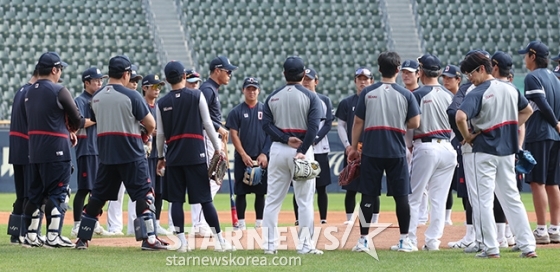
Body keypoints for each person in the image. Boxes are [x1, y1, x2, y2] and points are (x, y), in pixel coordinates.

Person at [74, 55, 166, 250]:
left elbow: (95, 120)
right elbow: (151, 124)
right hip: (131, 153)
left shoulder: (96, 97)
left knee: (97, 197)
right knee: (145, 196)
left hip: (106, 155)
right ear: (126, 74)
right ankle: (149, 239)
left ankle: (82, 238)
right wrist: (145, 136)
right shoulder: (132, 96)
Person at [456, 51, 536, 258]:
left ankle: (491, 248)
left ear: (482, 69)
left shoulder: (477, 91)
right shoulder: (510, 88)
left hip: (483, 151)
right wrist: (509, 128)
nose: (469, 78)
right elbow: (528, 111)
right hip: (507, 151)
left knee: (483, 200)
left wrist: (468, 136)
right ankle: (528, 246)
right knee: (512, 198)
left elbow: (460, 116)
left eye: (470, 73)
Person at [156, 60, 235, 252]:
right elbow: (208, 124)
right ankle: (219, 241)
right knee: (205, 199)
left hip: (174, 155)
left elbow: (160, 134)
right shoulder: (196, 95)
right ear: (184, 76)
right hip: (195, 154)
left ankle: (182, 243)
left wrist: (160, 157)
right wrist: (218, 149)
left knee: (176, 201)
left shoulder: (162, 103)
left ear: (166, 80)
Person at [349, 51, 420, 253]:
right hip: (396, 150)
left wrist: (354, 148)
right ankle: (404, 240)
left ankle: (363, 240)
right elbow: (415, 122)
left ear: (379, 69)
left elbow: (358, 122)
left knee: (368, 197)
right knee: (401, 197)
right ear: (398, 70)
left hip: (372, 150)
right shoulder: (406, 94)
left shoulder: (367, 93)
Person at [262, 56, 322, 254]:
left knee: (272, 199)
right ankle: (305, 246)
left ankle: (270, 246)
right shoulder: (312, 97)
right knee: (304, 201)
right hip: (303, 151)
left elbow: (266, 125)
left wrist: (285, 139)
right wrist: (302, 150)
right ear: (304, 74)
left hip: (279, 150)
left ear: (284, 74)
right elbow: (313, 128)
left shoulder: (272, 96)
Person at [24, 52, 85, 248]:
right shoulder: (59, 90)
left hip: (34, 150)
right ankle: (53, 236)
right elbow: (77, 119)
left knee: (36, 194)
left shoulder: (28, 92)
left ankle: (31, 235)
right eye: (60, 70)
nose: (60, 74)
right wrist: (71, 129)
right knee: (60, 192)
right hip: (57, 149)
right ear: (54, 70)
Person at [405, 54, 456, 251]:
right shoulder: (449, 94)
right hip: (447, 148)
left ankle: (409, 240)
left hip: (425, 145)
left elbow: (411, 126)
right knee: (439, 199)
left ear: (421, 72)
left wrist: (410, 145)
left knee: (414, 196)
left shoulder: (416, 94)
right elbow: (454, 126)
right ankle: (433, 241)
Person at [518, 41, 560, 244]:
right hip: (554, 136)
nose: (524, 58)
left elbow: (541, 104)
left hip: (540, 133)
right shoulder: (555, 77)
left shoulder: (532, 77)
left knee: (538, 182)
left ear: (533, 56)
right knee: (553, 183)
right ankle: (555, 228)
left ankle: (542, 229)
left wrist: (555, 123)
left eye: (526, 55)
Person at [191, 56, 237, 237]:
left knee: (211, 180)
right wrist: (218, 127)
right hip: (207, 137)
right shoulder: (208, 89)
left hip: (212, 137)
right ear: (217, 70)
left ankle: (199, 223)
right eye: (228, 71)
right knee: (212, 179)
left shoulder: (211, 89)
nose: (230, 75)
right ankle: (200, 224)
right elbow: (199, 115)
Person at [71, 67, 113, 237]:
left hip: (100, 148)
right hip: (87, 148)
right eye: (96, 80)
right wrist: (97, 119)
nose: (99, 83)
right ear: (86, 82)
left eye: (100, 80)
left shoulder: (100, 99)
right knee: (83, 189)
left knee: (98, 190)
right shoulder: (80, 100)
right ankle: (76, 224)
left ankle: (93, 222)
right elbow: (79, 122)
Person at [225, 77, 270, 230]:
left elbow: (271, 134)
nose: (251, 91)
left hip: (261, 157)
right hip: (242, 157)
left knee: (260, 193)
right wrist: (243, 154)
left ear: (259, 91)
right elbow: (234, 134)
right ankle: (241, 224)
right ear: (243, 90)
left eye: (254, 89)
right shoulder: (236, 111)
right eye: (248, 88)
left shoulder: (266, 110)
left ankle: (259, 223)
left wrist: (264, 153)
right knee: (241, 192)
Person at [335, 67, 379, 225]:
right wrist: (348, 145)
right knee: (351, 185)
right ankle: (349, 219)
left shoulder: (376, 100)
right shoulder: (347, 102)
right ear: (355, 81)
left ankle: (374, 219)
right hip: (353, 149)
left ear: (371, 81)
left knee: (372, 186)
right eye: (360, 79)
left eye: (366, 79)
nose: (363, 82)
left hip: (371, 148)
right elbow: (341, 125)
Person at [106, 64, 144, 235]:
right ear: (125, 77)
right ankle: (114, 226)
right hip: (119, 149)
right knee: (116, 192)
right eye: (132, 79)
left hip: (134, 149)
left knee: (137, 193)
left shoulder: (136, 98)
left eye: (137, 81)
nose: (134, 83)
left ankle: (132, 228)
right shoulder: (119, 99)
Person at [293, 68, 333, 225]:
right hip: (301, 150)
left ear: (316, 81)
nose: (306, 81)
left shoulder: (324, 100)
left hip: (320, 148)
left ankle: (323, 219)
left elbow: (328, 123)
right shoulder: (297, 99)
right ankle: (298, 219)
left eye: (309, 79)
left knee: (321, 187)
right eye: (304, 78)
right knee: (300, 185)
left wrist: (315, 138)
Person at [8, 69, 38, 245]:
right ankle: (25, 233)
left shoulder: (21, 90)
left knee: (21, 195)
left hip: (17, 148)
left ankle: (15, 233)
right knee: (30, 195)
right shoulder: (31, 92)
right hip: (28, 148)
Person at [140, 74, 171, 236]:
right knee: (148, 190)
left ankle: (156, 222)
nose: (157, 89)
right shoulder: (141, 105)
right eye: (154, 86)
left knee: (159, 190)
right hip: (145, 153)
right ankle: (145, 222)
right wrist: (156, 133)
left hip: (159, 153)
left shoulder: (160, 106)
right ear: (145, 88)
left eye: (159, 86)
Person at [400, 60, 429, 226]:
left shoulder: (422, 93)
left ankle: (422, 216)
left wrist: (411, 144)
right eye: (404, 72)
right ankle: (411, 215)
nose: (406, 75)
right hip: (401, 142)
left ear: (418, 74)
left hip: (419, 141)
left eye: (409, 72)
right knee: (408, 183)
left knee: (421, 183)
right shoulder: (401, 93)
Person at [440, 64, 463, 226]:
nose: (446, 80)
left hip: (460, 141)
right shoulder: (443, 97)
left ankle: (468, 220)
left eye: (450, 78)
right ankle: (446, 218)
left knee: (464, 184)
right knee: (445, 183)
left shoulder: (465, 97)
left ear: (458, 80)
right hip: (446, 141)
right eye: (444, 77)